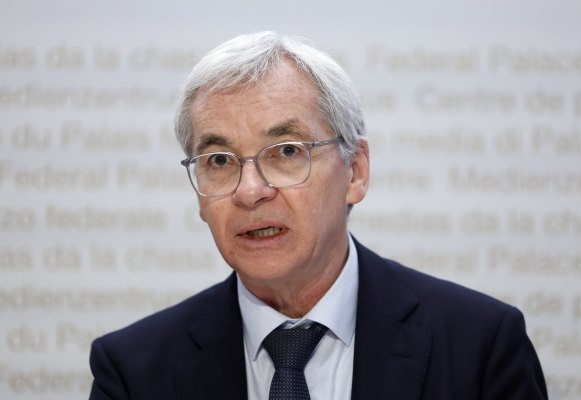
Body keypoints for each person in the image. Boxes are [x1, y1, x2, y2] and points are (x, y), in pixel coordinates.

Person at [88, 31, 548, 400]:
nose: (250, 191)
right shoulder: (133, 371)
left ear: (356, 171)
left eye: (287, 151)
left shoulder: (480, 347)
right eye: (220, 161)